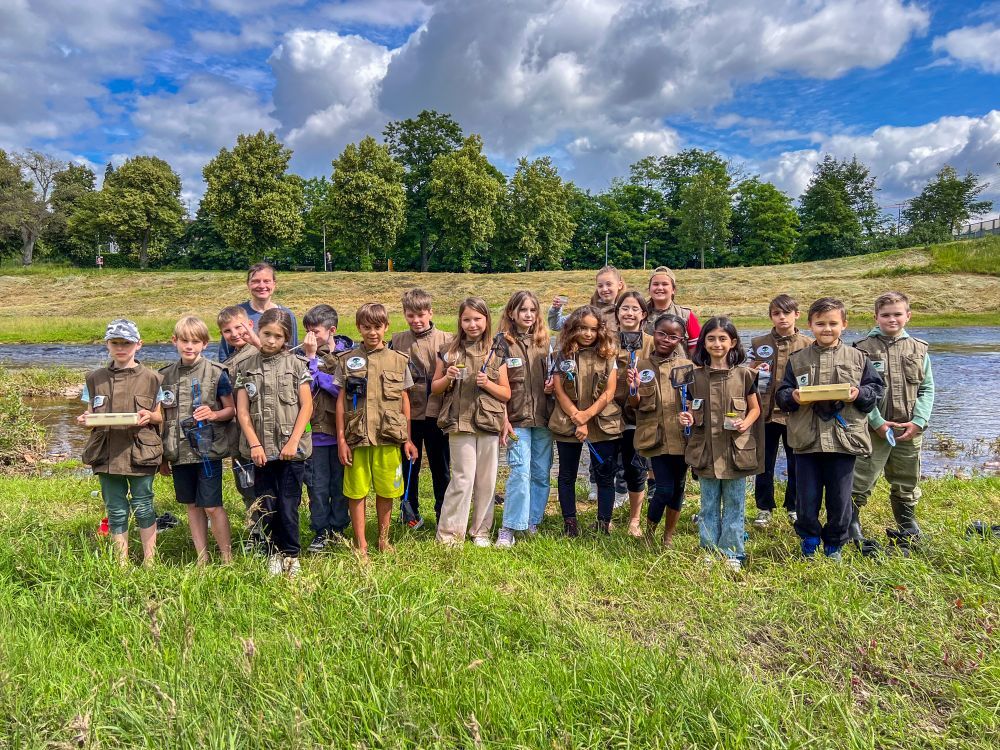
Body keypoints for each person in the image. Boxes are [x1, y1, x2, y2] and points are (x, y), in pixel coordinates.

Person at [775, 298, 884, 560]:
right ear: (810, 325)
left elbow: (876, 391)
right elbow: (781, 395)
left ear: (844, 325)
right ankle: (809, 540)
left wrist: (858, 392)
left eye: (833, 323)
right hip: (806, 441)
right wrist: (793, 397)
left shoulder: (859, 358)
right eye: (820, 323)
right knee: (806, 497)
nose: (827, 328)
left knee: (840, 498)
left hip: (844, 439)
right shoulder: (797, 359)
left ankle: (834, 543)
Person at [335, 303, 418, 561]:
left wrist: (408, 438)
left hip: (388, 437)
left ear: (386, 327)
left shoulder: (398, 360)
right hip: (357, 437)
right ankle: (361, 543)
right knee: (357, 491)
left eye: (378, 327)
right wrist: (341, 440)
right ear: (358, 327)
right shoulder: (347, 360)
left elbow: (404, 401)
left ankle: (383, 539)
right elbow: (340, 401)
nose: (372, 332)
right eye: (367, 327)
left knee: (386, 491)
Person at [77, 319, 164, 566]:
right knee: (115, 508)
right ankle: (121, 564)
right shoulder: (94, 378)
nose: (121, 348)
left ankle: (150, 562)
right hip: (106, 453)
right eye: (115, 343)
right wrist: (85, 419)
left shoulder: (153, 378)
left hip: (141, 452)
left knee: (144, 505)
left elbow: (160, 416)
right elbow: (90, 415)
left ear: (139, 345)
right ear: (107, 345)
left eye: (126, 343)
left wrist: (151, 416)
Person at [678, 317, 762, 570]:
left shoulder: (746, 375)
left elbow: (756, 409)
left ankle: (733, 552)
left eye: (723, 338)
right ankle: (709, 550)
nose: (717, 344)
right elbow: (691, 410)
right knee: (709, 504)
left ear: (733, 342)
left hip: (737, 451)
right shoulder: (693, 377)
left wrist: (746, 423)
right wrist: (687, 418)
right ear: (703, 342)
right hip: (705, 451)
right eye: (711, 338)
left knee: (736, 504)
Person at [235, 309, 313, 576]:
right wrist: (255, 445)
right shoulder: (245, 367)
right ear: (258, 331)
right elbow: (242, 412)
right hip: (261, 451)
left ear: (286, 338)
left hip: (291, 450)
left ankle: (291, 554)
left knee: (289, 504)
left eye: (277, 336)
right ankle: (273, 554)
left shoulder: (297, 365)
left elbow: (306, 407)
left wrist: (293, 442)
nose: (270, 340)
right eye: (266, 334)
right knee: (266, 504)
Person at [851, 291, 934, 541]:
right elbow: (859, 391)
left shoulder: (919, 349)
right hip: (872, 430)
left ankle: (907, 525)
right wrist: (877, 422)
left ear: (908, 316)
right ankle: (851, 526)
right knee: (860, 479)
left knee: (907, 480)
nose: (892, 319)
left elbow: (927, 388)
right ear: (876, 317)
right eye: (885, 315)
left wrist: (919, 422)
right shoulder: (861, 349)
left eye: (898, 314)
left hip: (908, 429)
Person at [432, 297, 511, 546]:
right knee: (462, 478)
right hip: (459, 421)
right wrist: (447, 377)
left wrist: (488, 384)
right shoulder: (449, 350)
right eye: (467, 319)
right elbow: (434, 389)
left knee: (486, 480)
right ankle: (449, 534)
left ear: (487, 320)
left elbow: (506, 393)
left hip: (488, 421)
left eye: (477, 319)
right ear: (460, 321)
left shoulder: (498, 350)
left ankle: (481, 531)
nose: (472, 324)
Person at [158, 315, 235, 564]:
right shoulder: (164, 376)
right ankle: (202, 557)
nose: (189, 346)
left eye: (195, 341)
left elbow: (231, 410)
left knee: (212, 505)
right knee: (192, 505)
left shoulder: (217, 373)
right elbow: (160, 418)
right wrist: (161, 457)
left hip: (207, 451)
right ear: (174, 341)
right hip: (178, 451)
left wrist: (213, 414)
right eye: (184, 341)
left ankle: (226, 556)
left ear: (204, 344)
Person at [548, 305, 622, 536]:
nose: (588, 334)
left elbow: (609, 392)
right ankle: (570, 523)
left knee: (605, 474)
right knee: (566, 475)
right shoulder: (561, 355)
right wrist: (576, 417)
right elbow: (559, 391)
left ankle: (603, 523)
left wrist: (586, 417)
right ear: (572, 328)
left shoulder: (609, 356)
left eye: (592, 329)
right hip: (568, 420)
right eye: (582, 328)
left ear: (600, 330)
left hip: (601, 422)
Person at [747, 294, 812, 528]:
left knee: (797, 462)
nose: (782, 317)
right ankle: (764, 507)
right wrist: (753, 370)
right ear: (771, 316)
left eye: (786, 313)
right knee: (763, 462)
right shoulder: (758, 343)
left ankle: (793, 506)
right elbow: (748, 378)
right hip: (765, 412)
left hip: (796, 413)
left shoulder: (808, 344)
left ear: (796, 314)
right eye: (776, 313)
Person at [389, 289, 452, 528]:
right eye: (410, 315)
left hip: (438, 414)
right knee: (409, 467)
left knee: (441, 466)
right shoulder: (396, 340)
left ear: (430, 313)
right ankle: (409, 513)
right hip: (409, 415)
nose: (416, 320)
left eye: (421, 315)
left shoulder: (447, 339)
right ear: (404, 314)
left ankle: (443, 513)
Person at [496, 291, 554, 547]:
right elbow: (499, 384)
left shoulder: (544, 343)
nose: (528, 315)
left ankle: (533, 520)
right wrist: (503, 417)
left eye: (532, 310)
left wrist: (553, 386)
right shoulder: (502, 343)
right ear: (511, 313)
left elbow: (554, 378)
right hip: (517, 418)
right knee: (519, 472)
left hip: (543, 418)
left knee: (541, 473)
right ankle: (510, 526)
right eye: (522, 310)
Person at [628, 313, 692, 546]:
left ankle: (668, 537)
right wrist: (633, 389)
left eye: (673, 336)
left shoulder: (687, 366)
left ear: (681, 339)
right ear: (653, 333)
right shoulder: (641, 365)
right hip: (655, 438)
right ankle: (649, 534)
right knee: (664, 489)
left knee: (679, 489)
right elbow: (634, 405)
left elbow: (695, 401)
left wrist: (691, 414)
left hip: (682, 438)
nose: (666, 339)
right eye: (661, 333)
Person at [301, 304, 354, 553]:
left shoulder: (349, 356)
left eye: (316, 332)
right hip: (315, 435)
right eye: (307, 332)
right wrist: (311, 359)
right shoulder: (302, 356)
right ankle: (321, 530)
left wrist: (318, 371)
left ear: (332, 330)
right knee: (317, 486)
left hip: (342, 434)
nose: (310, 337)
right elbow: (304, 390)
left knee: (340, 485)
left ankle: (339, 528)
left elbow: (341, 389)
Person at [217, 305, 263, 551]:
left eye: (239, 327)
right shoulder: (226, 364)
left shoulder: (262, 350)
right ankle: (256, 532)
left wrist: (256, 341)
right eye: (227, 331)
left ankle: (272, 531)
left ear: (250, 325)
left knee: (266, 486)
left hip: (263, 435)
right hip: (238, 439)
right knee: (246, 486)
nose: (234, 334)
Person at [612, 291, 654, 537]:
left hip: (639, 414)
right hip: (610, 413)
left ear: (643, 314)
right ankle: (604, 513)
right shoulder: (607, 341)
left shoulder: (651, 342)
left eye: (635, 309)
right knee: (608, 466)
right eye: (624, 308)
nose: (629, 313)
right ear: (617, 313)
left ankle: (634, 519)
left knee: (635, 467)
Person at [218, 262, 298, 361]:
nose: (261, 285)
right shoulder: (236, 314)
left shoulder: (287, 315)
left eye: (266, 281)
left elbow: (292, 351)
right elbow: (225, 354)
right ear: (248, 284)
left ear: (274, 284)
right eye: (255, 281)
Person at [548, 265, 626, 333]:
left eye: (609, 284)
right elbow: (556, 326)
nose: (604, 289)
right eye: (600, 286)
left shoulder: (628, 313)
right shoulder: (587, 312)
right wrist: (556, 309)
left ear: (619, 285)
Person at [643, 266, 700, 350]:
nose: (659, 288)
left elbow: (696, 351)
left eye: (665, 284)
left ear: (673, 289)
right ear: (649, 289)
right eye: (655, 284)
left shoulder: (686, 315)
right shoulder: (640, 314)